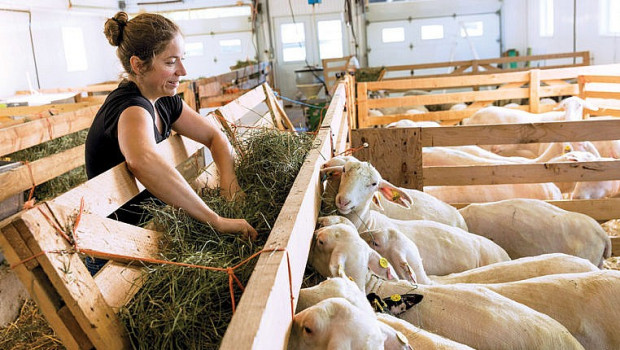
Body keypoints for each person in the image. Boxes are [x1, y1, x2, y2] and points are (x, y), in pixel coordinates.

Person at [84, 12, 258, 274]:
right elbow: (143, 161)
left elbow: (214, 136)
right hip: (116, 254)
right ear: (139, 65)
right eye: (170, 62)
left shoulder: (164, 100)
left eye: (182, 60)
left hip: (155, 235)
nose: (182, 71)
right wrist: (217, 220)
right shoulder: (130, 107)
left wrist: (230, 187)